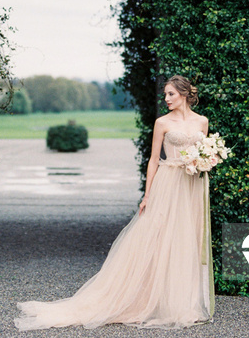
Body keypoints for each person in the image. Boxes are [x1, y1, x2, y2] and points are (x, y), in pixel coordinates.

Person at [14, 75, 215, 330]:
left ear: (184, 94)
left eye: (171, 94)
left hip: (191, 186)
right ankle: (143, 299)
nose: (166, 99)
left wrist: (204, 162)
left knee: (185, 238)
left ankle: (182, 303)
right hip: (167, 183)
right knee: (155, 237)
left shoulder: (202, 121)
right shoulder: (162, 122)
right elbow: (153, 160)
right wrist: (147, 194)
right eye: (165, 94)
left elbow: (204, 152)